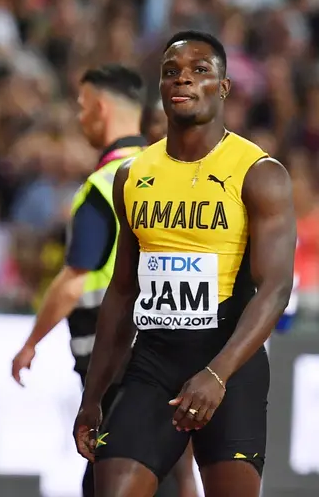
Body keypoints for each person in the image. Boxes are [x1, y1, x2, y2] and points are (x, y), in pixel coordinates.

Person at [73, 31, 296, 497]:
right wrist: (93, 397)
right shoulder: (132, 177)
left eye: (200, 71)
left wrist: (218, 374)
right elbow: (121, 291)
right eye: (172, 72)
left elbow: (275, 287)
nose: (184, 80)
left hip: (228, 363)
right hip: (153, 361)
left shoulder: (259, 174)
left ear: (224, 87)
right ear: (159, 87)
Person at [11, 65, 196, 497]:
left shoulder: (104, 182)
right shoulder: (170, 173)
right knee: (167, 465)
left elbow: (76, 278)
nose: (78, 118)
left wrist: (31, 342)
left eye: (81, 107)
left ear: (99, 108)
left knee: (111, 473)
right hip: (171, 343)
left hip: (113, 353)